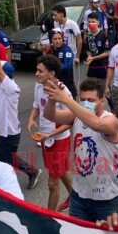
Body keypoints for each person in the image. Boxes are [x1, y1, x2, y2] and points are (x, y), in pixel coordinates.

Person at [43, 77, 118, 221]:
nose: (86, 104)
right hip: (79, 196)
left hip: (107, 197)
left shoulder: (112, 121)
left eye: (91, 101)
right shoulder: (77, 116)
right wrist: (53, 99)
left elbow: (97, 125)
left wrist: (67, 100)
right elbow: (50, 115)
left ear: (102, 102)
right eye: (83, 99)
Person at [0, 34, 42, 190]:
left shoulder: (9, 87)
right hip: (5, 132)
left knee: (4, 164)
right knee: (10, 158)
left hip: (9, 133)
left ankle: (5, 190)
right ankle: (33, 172)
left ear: (3, 76)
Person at [28, 54, 73, 212]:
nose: (36, 74)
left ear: (52, 74)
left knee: (52, 183)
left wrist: (51, 134)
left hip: (58, 141)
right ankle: (76, 199)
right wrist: (31, 119)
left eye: (40, 71)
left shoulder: (63, 92)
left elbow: (70, 121)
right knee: (61, 172)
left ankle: (49, 218)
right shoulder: (38, 85)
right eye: (36, 70)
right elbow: (36, 104)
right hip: (45, 139)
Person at [52, 4, 83, 83]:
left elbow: (79, 39)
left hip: (71, 54)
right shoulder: (56, 23)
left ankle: (75, 94)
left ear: (61, 14)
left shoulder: (72, 24)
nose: (53, 17)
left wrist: (77, 56)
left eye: (55, 15)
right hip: (60, 53)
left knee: (72, 77)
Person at [46, 29, 77, 99]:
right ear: (51, 40)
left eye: (59, 38)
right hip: (54, 84)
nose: (58, 41)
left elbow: (67, 66)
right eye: (55, 39)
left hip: (67, 83)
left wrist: (53, 67)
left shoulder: (67, 49)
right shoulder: (49, 51)